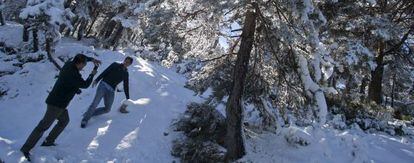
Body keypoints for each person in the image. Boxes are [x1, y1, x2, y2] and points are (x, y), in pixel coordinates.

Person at [20, 54, 101, 161]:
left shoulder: (68, 64)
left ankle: (49, 141)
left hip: (59, 103)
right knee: (43, 126)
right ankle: (26, 148)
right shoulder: (74, 74)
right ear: (79, 63)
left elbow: (69, 81)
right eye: (84, 64)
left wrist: (91, 60)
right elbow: (85, 84)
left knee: (64, 121)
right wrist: (92, 74)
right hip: (56, 104)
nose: (84, 66)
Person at [81, 56, 133, 128]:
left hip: (111, 90)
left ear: (130, 64)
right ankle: (85, 119)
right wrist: (97, 80)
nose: (126, 63)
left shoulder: (126, 74)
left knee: (107, 109)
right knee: (95, 103)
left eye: (128, 63)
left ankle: (90, 113)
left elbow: (126, 85)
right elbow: (105, 72)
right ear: (124, 60)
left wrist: (128, 97)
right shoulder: (115, 65)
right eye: (125, 61)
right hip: (103, 85)